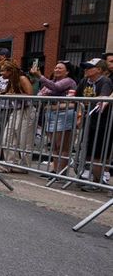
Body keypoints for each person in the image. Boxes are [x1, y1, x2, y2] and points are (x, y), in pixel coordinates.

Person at [30, 60, 77, 175]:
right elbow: (40, 94)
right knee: (54, 146)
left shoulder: (68, 81)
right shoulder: (51, 82)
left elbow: (56, 88)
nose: (56, 70)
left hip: (64, 115)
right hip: (51, 115)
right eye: (55, 67)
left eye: (60, 68)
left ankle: (62, 172)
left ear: (67, 72)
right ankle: (55, 170)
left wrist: (40, 76)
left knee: (62, 146)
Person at [75, 58, 113, 190]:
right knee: (86, 149)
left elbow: (104, 97)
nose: (86, 70)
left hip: (101, 122)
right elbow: (77, 99)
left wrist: (94, 102)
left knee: (97, 152)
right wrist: (79, 115)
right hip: (88, 120)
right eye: (85, 67)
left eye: (89, 67)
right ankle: (87, 175)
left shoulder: (105, 81)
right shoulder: (84, 81)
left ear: (99, 69)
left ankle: (97, 181)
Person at [0, 60, 34, 174]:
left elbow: (30, 95)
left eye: (3, 71)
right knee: (7, 137)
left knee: (24, 139)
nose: (1, 73)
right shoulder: (11, 81)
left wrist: (13, 95)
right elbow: (3, 93)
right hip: (16, 111)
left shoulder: (22, 78)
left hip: (26, 111)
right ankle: (11, 162)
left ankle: (25, 165)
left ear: (10, 71)